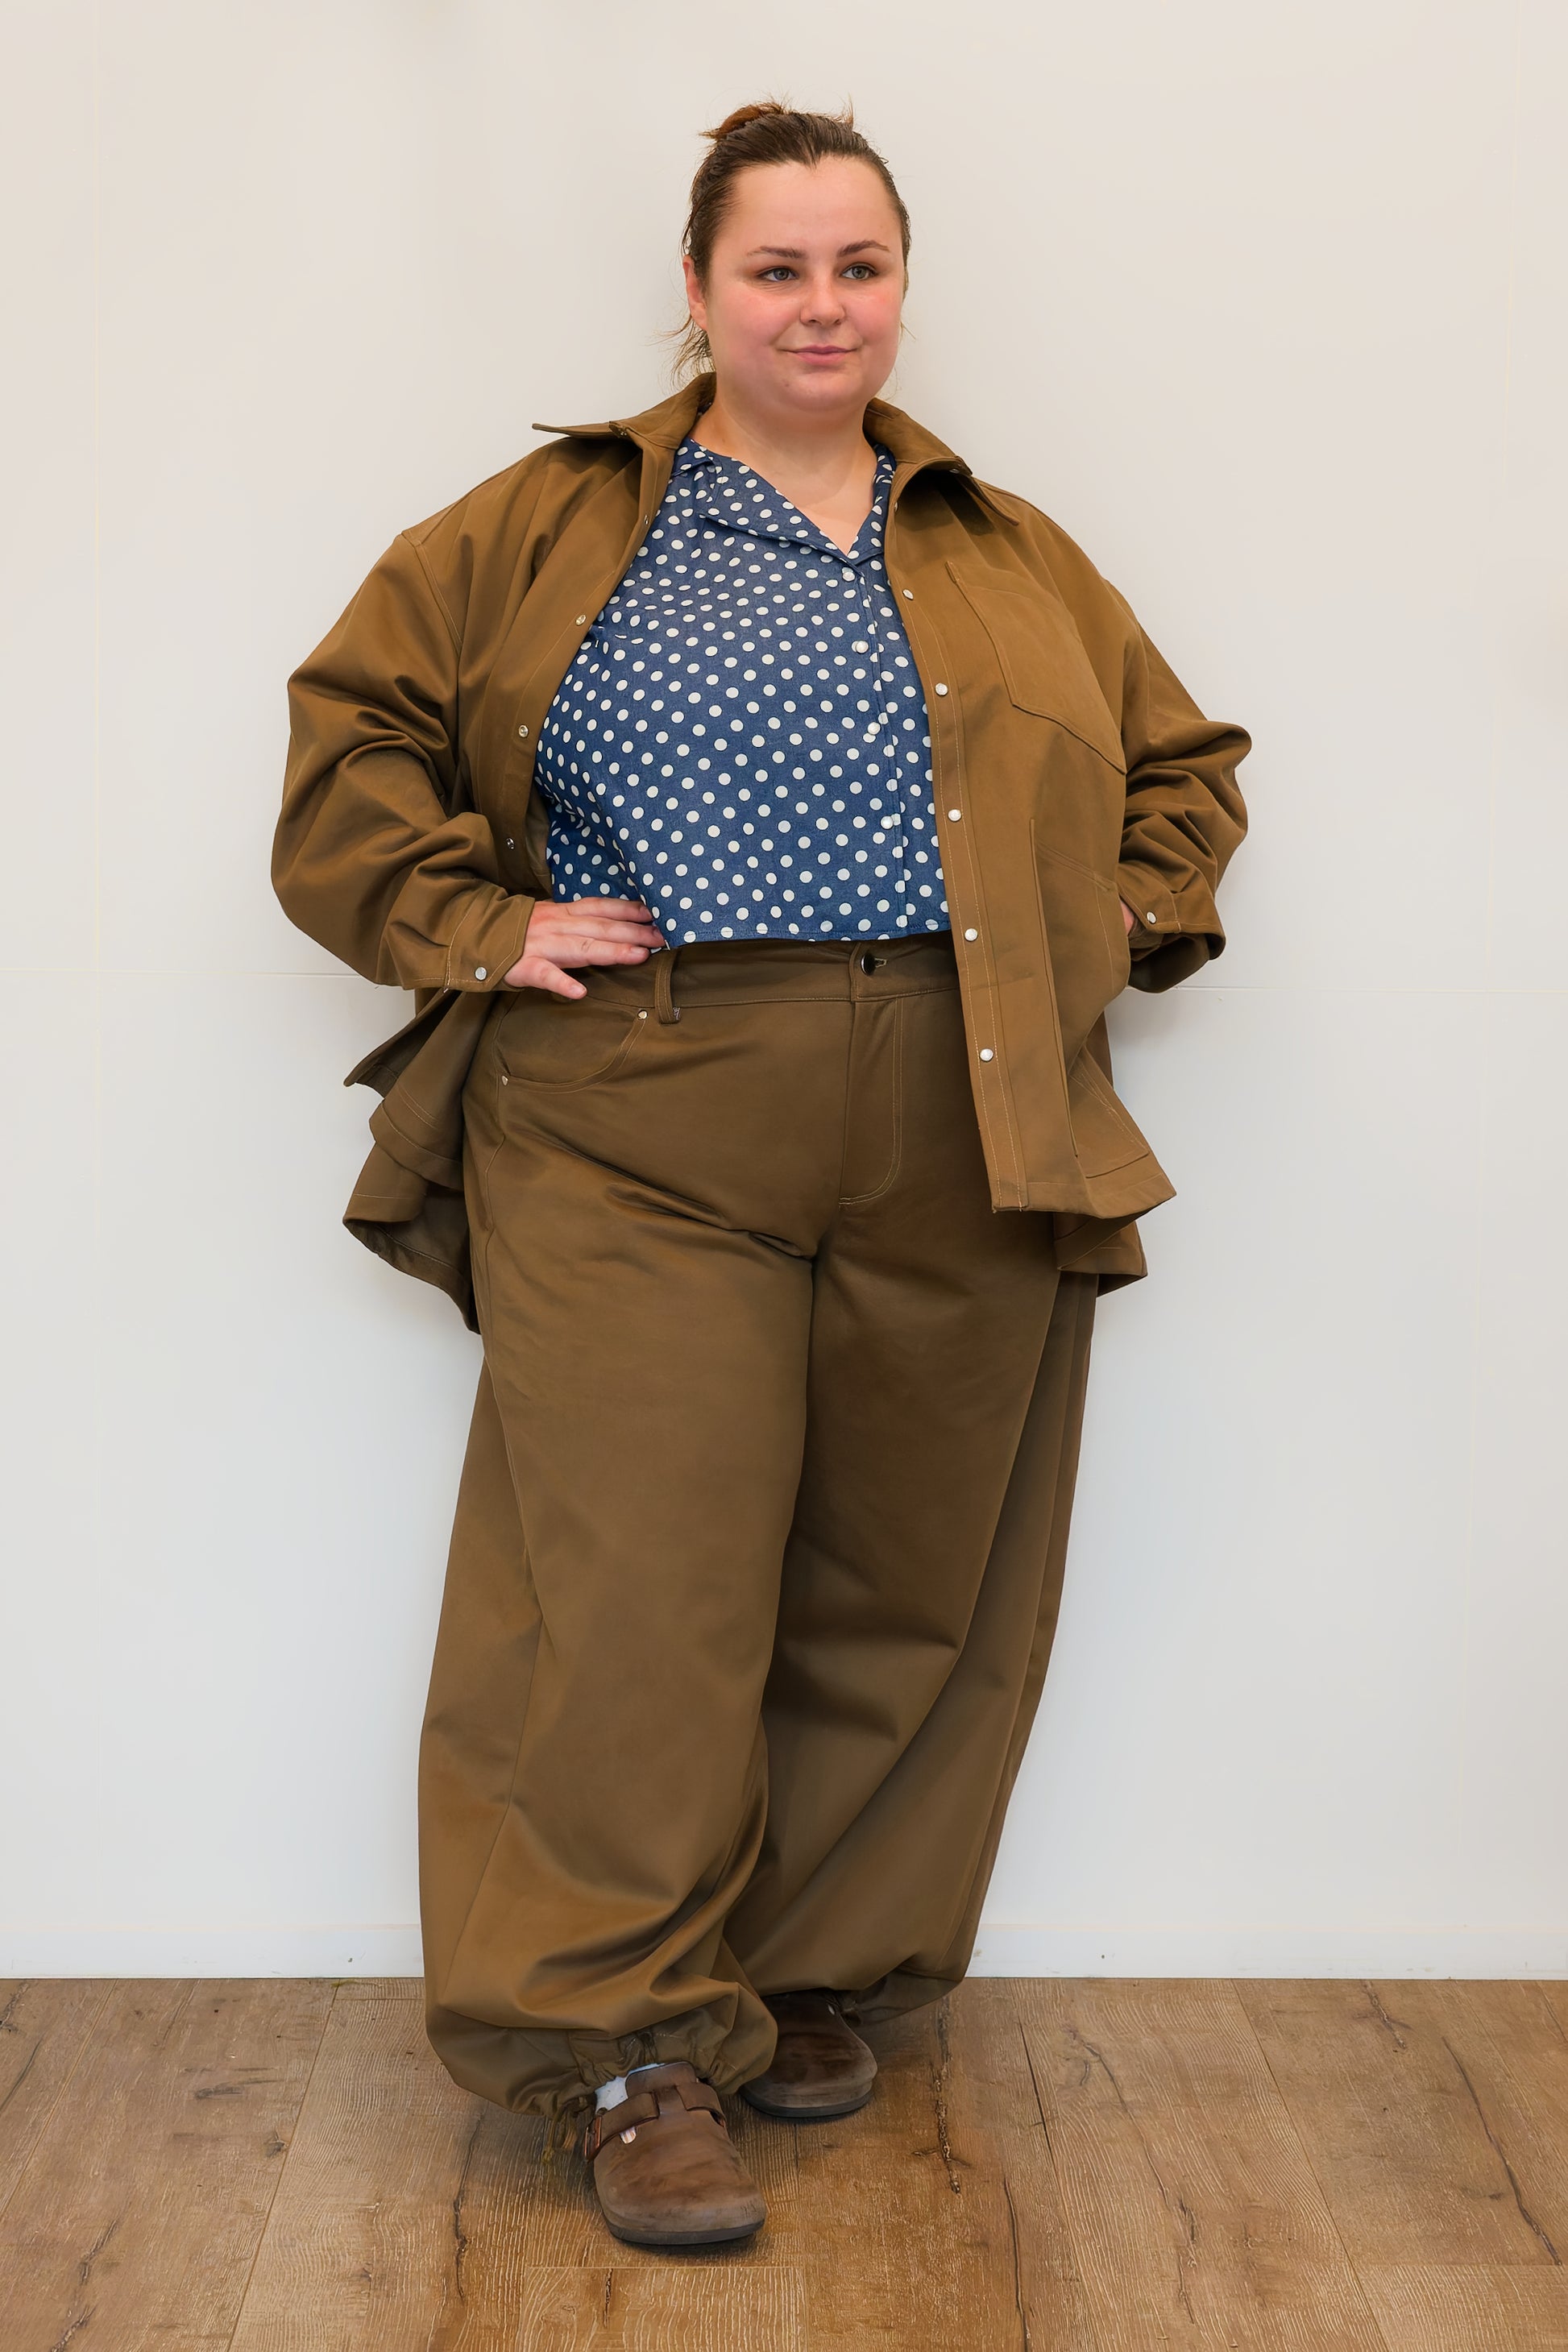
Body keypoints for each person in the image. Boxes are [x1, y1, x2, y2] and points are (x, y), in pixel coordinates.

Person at [274, 100, 1249, 2249]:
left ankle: (790, 1973)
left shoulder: (997, 542)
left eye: (859, 267)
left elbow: (1179, 771)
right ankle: (612, 2047)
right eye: (777, 269)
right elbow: (354, 735)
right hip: (640, 1105)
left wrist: (1117, 917)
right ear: (700, 292)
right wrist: (475, 923)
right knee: (632, 1592)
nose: (824, 306)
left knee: (906, 1578)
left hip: (964, 1100)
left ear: (903, 287)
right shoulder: (551, 525)